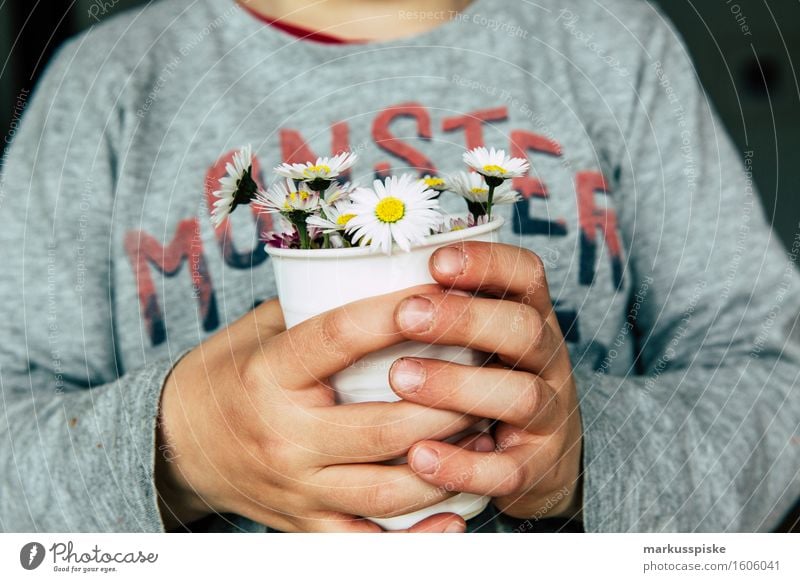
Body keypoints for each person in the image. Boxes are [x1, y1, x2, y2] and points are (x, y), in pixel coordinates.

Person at [1, 0, 798, 533]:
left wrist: (589, 455)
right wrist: (183, 449)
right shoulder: (102, 87)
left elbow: (776, 368)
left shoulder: (617, 43)